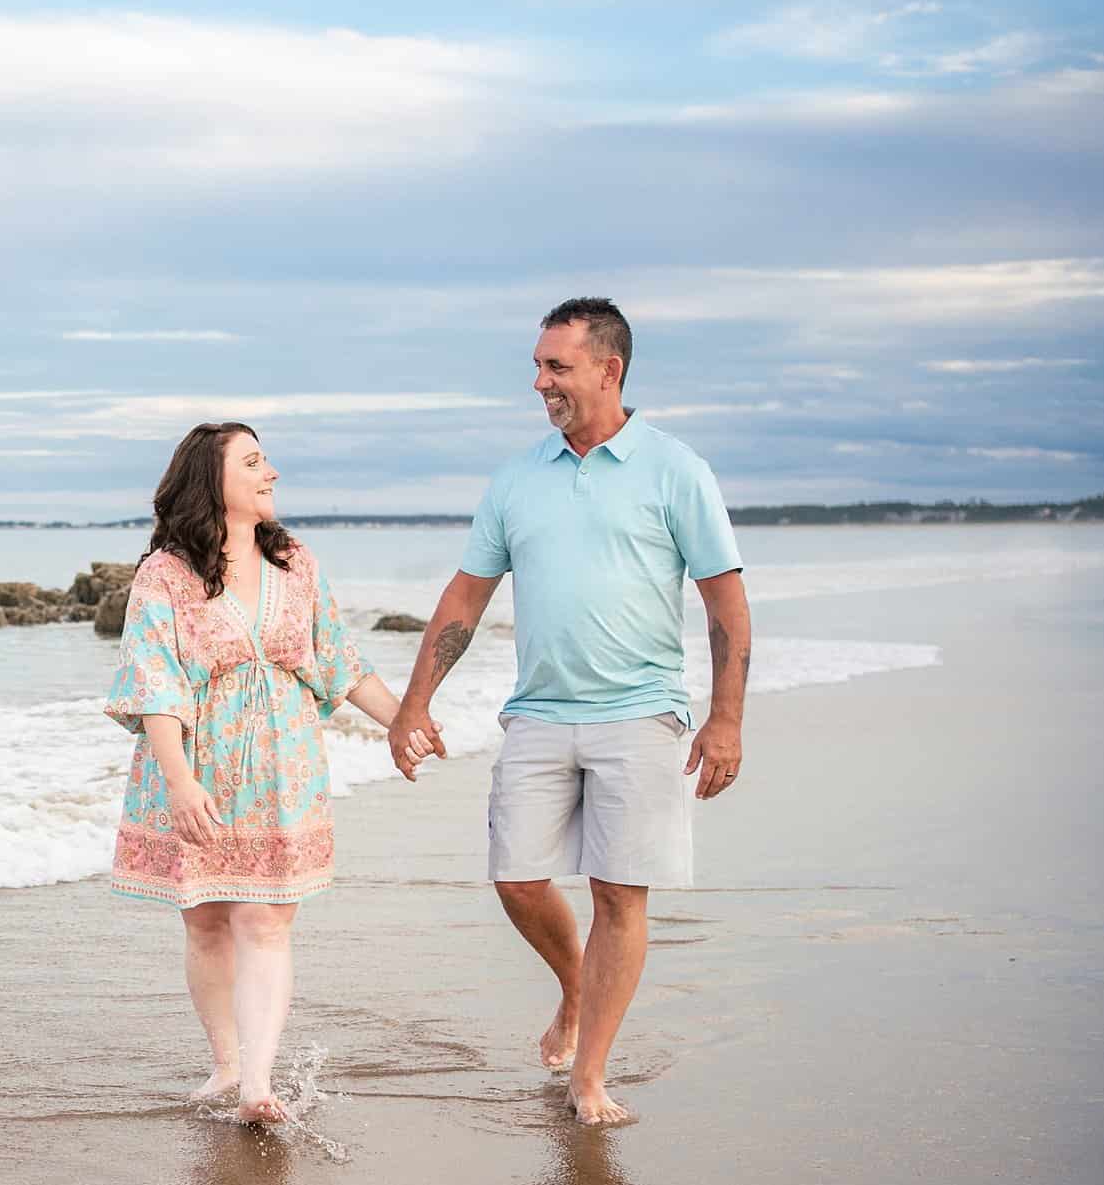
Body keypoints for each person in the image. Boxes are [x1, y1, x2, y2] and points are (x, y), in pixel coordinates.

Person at [385, 298, 751, 1126]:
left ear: (609, 370)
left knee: (621, 894)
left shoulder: (675, 468)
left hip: (642, 712)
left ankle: (590, 1076)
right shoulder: (517, 477)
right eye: (540, 365)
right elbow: (466, 595)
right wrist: (414, 702)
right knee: (515, 876)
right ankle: (576, 986)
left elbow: (725, 599)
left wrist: (725, 718)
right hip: (539, 713)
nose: (540, 381)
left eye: (557, 366)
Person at [105, 421, 414, 1126]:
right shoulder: (166, 574)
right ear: (211, 482)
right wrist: (180, 781)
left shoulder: (296, 562)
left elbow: (338, 659)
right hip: (197, 767)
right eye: (252, 462)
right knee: (209, 922)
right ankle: (227, 1063)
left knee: (267, 921)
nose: (271, 472)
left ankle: (259, 1084)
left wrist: (402, 720)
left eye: (265, 459)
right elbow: (154, 682)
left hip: (284, 768)